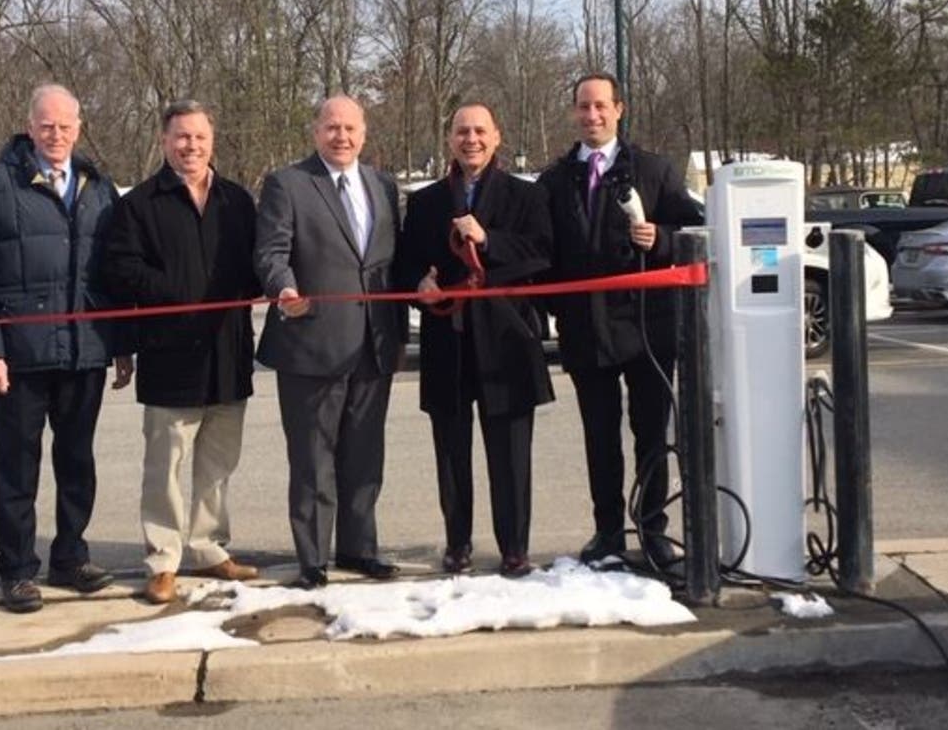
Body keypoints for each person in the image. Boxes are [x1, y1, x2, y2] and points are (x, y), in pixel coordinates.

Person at [0, 83, 133, 614]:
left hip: (85, 351)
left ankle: (71, 557)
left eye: (65, 126)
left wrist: (121, 345)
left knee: (77, 462)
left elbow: (115, 273)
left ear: (79, 128)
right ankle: (16, 570)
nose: (56, 135)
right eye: (47, 126)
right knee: (16, 467)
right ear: (30, 127)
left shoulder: (98, 187)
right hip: (19, 357)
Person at [537, 73, 701, 568]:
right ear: (574, 112)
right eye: (583, 106)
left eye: (600, 105)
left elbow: (693, 230)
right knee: (600, 438)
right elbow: (543, 251)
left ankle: (653, 530)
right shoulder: (554, 180)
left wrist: (662, 238)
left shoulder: (653, 170)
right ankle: (608, 532)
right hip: (586, 330)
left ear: (618, 109)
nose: (592, 115)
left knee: (650, 435)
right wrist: (555, 309)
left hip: (647, 328)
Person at [103, 100, 261, 605]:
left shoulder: (238, 201)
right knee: (165, 468)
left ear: (212, 141)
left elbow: (257, 265)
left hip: (229, 351)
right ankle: (163, 560)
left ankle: (209, 548)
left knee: (218, 464)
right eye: (181, 137)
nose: (191, 146)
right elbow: (121, 269)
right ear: (164, 141)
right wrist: (179, 292)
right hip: (169, 352)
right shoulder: (139, 205)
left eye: (199, 137)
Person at [254, 95, 405, 590]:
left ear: (364, 132)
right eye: (332, 127)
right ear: (316, 131)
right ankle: (313, 558)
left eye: (350, 128)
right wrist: (284, 288)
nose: (342, 136)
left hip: (374, 342)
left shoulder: (383, 185)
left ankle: (360, 549)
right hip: (311, 341)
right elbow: (271, 252)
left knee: (365, 456)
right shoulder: (288, 183)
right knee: (313, 459)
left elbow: (392, 257)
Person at [398, 104, 554, 577]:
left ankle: (514, 548)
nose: (472, 140)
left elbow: (542, 254)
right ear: (450, 139)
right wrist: (419, 284)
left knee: (510, 454)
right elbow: (405, 260)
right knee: (451, 452)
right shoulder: (426, 202)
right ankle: (457, 543)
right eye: (462, 131)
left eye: (480, 131)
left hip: (506, 340)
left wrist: (488, 240)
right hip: (448, 339)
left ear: (497, 137)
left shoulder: (525, 196)